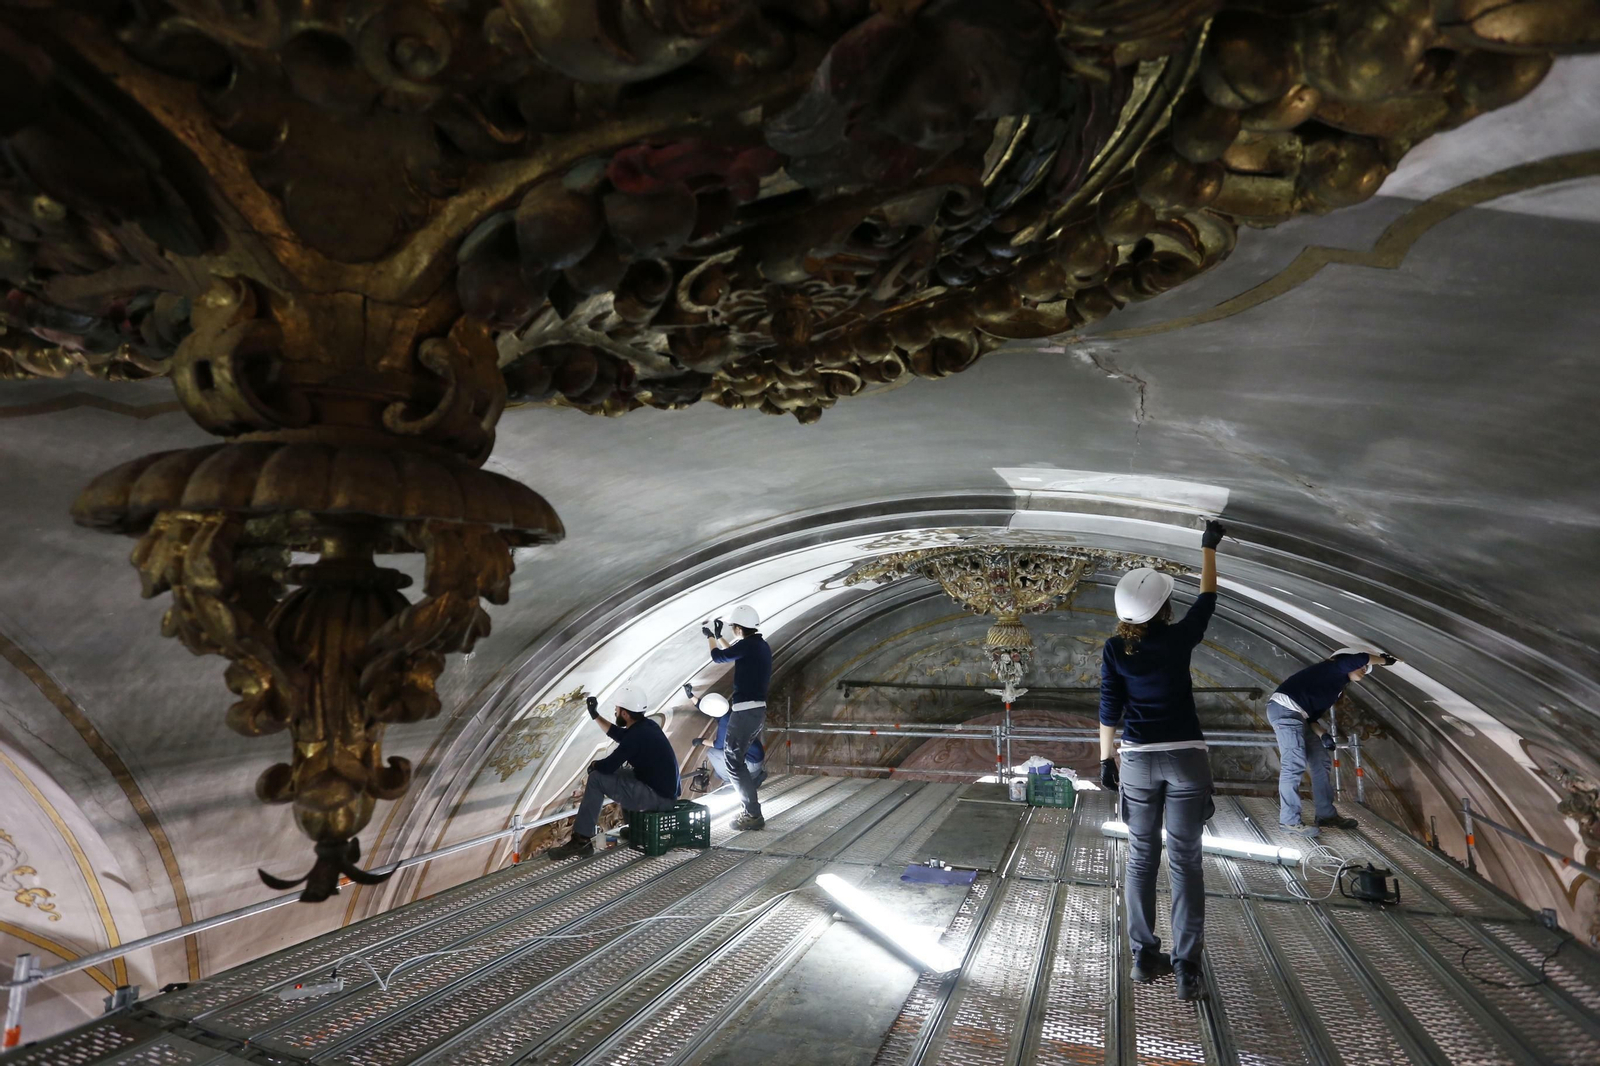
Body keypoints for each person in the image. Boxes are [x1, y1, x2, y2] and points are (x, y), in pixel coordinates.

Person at [1099, 519, 1225, 1003]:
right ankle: (1187, 967)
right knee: (1187, 862)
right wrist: (1208, 547)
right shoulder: (1177, 640)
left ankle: (1142, 956)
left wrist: (1106, 759)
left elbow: (1109, 707)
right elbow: (1209, 598)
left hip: (1138, 761)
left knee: (1141, 859)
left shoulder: (1114, 649)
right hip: (1188, 760)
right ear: (1163, 608)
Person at [1268, 647, 1399, 836]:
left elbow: (1311, 719)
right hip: (1285, 711)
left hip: (1300, 717)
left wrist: (1323, 735)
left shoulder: (1335, 687)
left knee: (1321, 761)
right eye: (1363, 667)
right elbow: (1359, 658)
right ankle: (1289, 821)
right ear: (1347, 661)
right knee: (1293, 764)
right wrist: (1385, 661)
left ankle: (1326, 815)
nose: (1365, 670)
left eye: (1366, 669)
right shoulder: (1331, 668)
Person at [545, 684, 680, 859]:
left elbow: (609, 765)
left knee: (596, 779)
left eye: (617, 710)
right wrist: (595, 715)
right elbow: (619, 735)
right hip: (664, 794)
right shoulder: (646, 727)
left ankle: (581, 841)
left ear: (625, 714)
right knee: (623, 774)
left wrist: (595, 765)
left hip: (657, 798)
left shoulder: (636, 736)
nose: (615, 712)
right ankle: (636, 830)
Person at [705, 605, 771, 830]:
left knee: (733, 762)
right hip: (756, 711)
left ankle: (752, 814)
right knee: (736, 760)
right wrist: (720, 636)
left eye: (732, 627)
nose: (732, 629)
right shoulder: (759, 645)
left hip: (744, 712)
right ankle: (751, 808)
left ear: (739, 627)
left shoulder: (749, 646)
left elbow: (718, 657)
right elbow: (736, 652)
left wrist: (711, 638)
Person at [686, 683, 767, 792]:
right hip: (755, 756)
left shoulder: (725, 726)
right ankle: (749, 776)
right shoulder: (730, 712)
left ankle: (732, 782)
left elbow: (718, 745)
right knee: (718, 769)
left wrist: (701, 741)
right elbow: (709, 707)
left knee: (712, 753)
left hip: (751, 762)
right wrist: (691, 696)